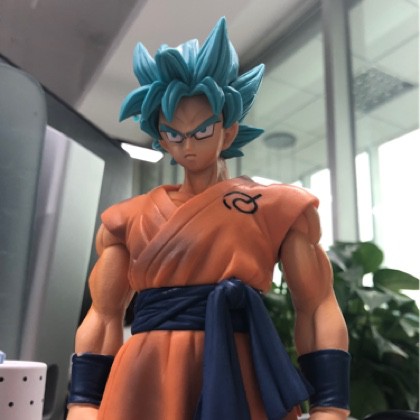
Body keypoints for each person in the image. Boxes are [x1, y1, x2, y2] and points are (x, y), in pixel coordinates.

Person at [67, 17, 350, 420]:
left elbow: (317, 304)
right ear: (162, 139)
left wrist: (331, 405)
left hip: (237, 374)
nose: (188, 145)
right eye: (175, 134)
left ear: (228, 132)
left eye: (201, 131)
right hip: (145, 380)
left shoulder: (278, 208)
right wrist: (83, 401)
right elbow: (103, 313)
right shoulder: (127, 219)